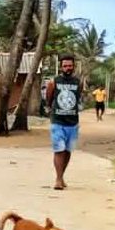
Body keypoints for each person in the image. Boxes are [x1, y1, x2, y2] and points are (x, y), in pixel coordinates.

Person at [45, 55, 83, 190]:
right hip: (57, 121)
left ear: (73, 66)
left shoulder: (78, 82)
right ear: (61, 67)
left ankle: (62, 176)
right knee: (59, 149)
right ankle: (58, 179)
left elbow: (77, 98)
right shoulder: (54, 81)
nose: (68, 68)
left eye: (70, 66)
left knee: (67, 151)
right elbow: (48, 97)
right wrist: (50, 109)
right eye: (65, 66)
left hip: (72, 122)